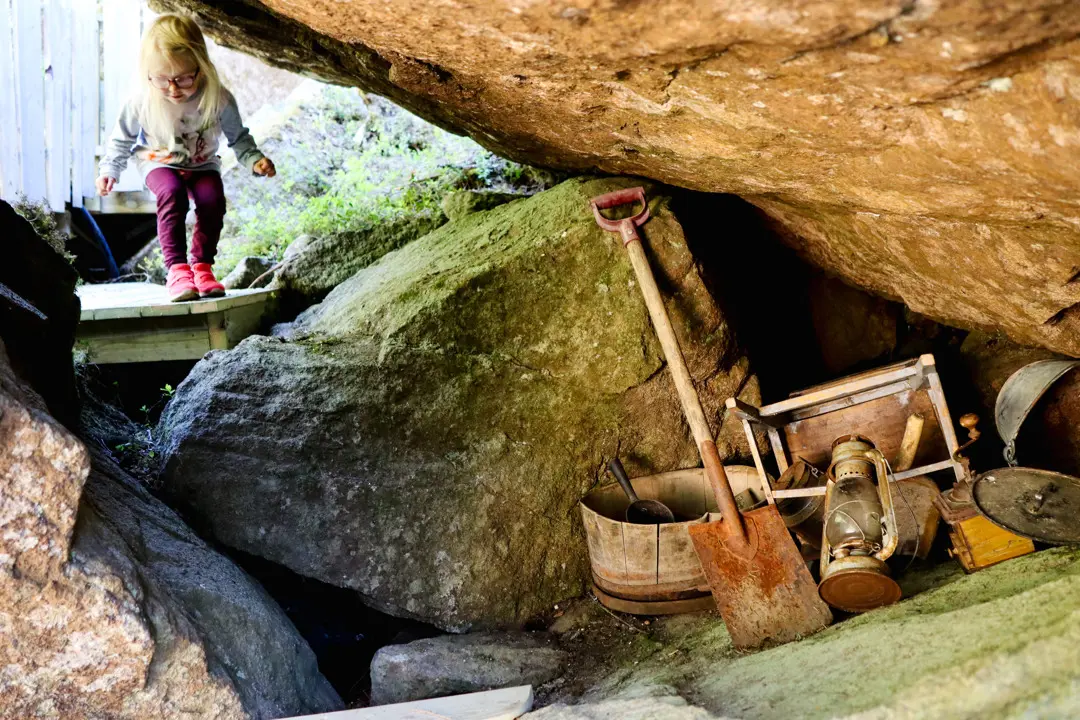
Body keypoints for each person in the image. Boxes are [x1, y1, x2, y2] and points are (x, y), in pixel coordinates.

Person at [96, 14, 276, 302]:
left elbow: (238, 138)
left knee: (212, 200)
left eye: (182, 79)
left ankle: (202, 268)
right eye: (162, 80)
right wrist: (110, 170)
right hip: (158, 161)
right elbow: (122, 139)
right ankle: (178, 270)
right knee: (172, 194)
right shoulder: (142, 100)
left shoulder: (218, 99)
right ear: (148, 75)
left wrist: (254, 159)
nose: (173, 89)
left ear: (201, 68)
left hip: (202, 163)